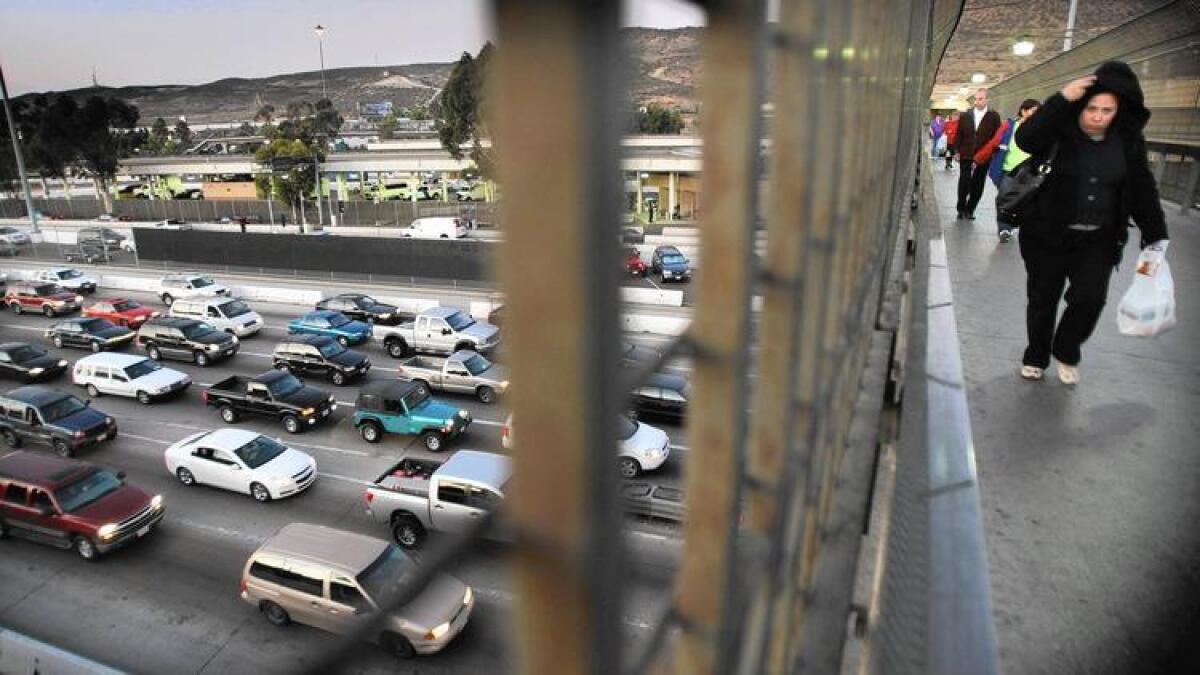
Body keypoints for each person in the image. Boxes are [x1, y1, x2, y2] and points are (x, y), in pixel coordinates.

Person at [1013, 61, 1169, 384]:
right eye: (1092, 108)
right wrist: (1061, 98)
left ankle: (1067, 349)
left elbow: (1142, 187)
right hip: (1047, 234)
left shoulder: (1127, 141)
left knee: (1090, 298)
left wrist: (1155, 234)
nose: (1099, 117)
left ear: (1119, 110)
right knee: (1043, 298)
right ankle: (1036, 356)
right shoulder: (1060, 129)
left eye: (1107, 110)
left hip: (1098, 238)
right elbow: (1025, 139)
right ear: (1080, 106)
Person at [988, 99, 1041, 242]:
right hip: (1009, 170)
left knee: (1025, 201)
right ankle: (1004, 229)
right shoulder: (1010, 126)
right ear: (1024, 110)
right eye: (1033, 111)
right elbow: (995, 142)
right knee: (1005, 200)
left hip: (1029, 172)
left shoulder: (1040, 130)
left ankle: (1012, 225)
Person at [952, 88, 1002, 219]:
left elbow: (997, 137)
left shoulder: (994, 116)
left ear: (987, 100)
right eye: (976, 98)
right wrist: (956, 151)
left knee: (978, 184)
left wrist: (993, 154)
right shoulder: (966, 115)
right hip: (966, 154)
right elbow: (959, 134)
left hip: (984, 156)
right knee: (964, 182)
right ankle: (961, 208)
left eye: (980, 99)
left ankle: (970, 209)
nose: (977, 101)